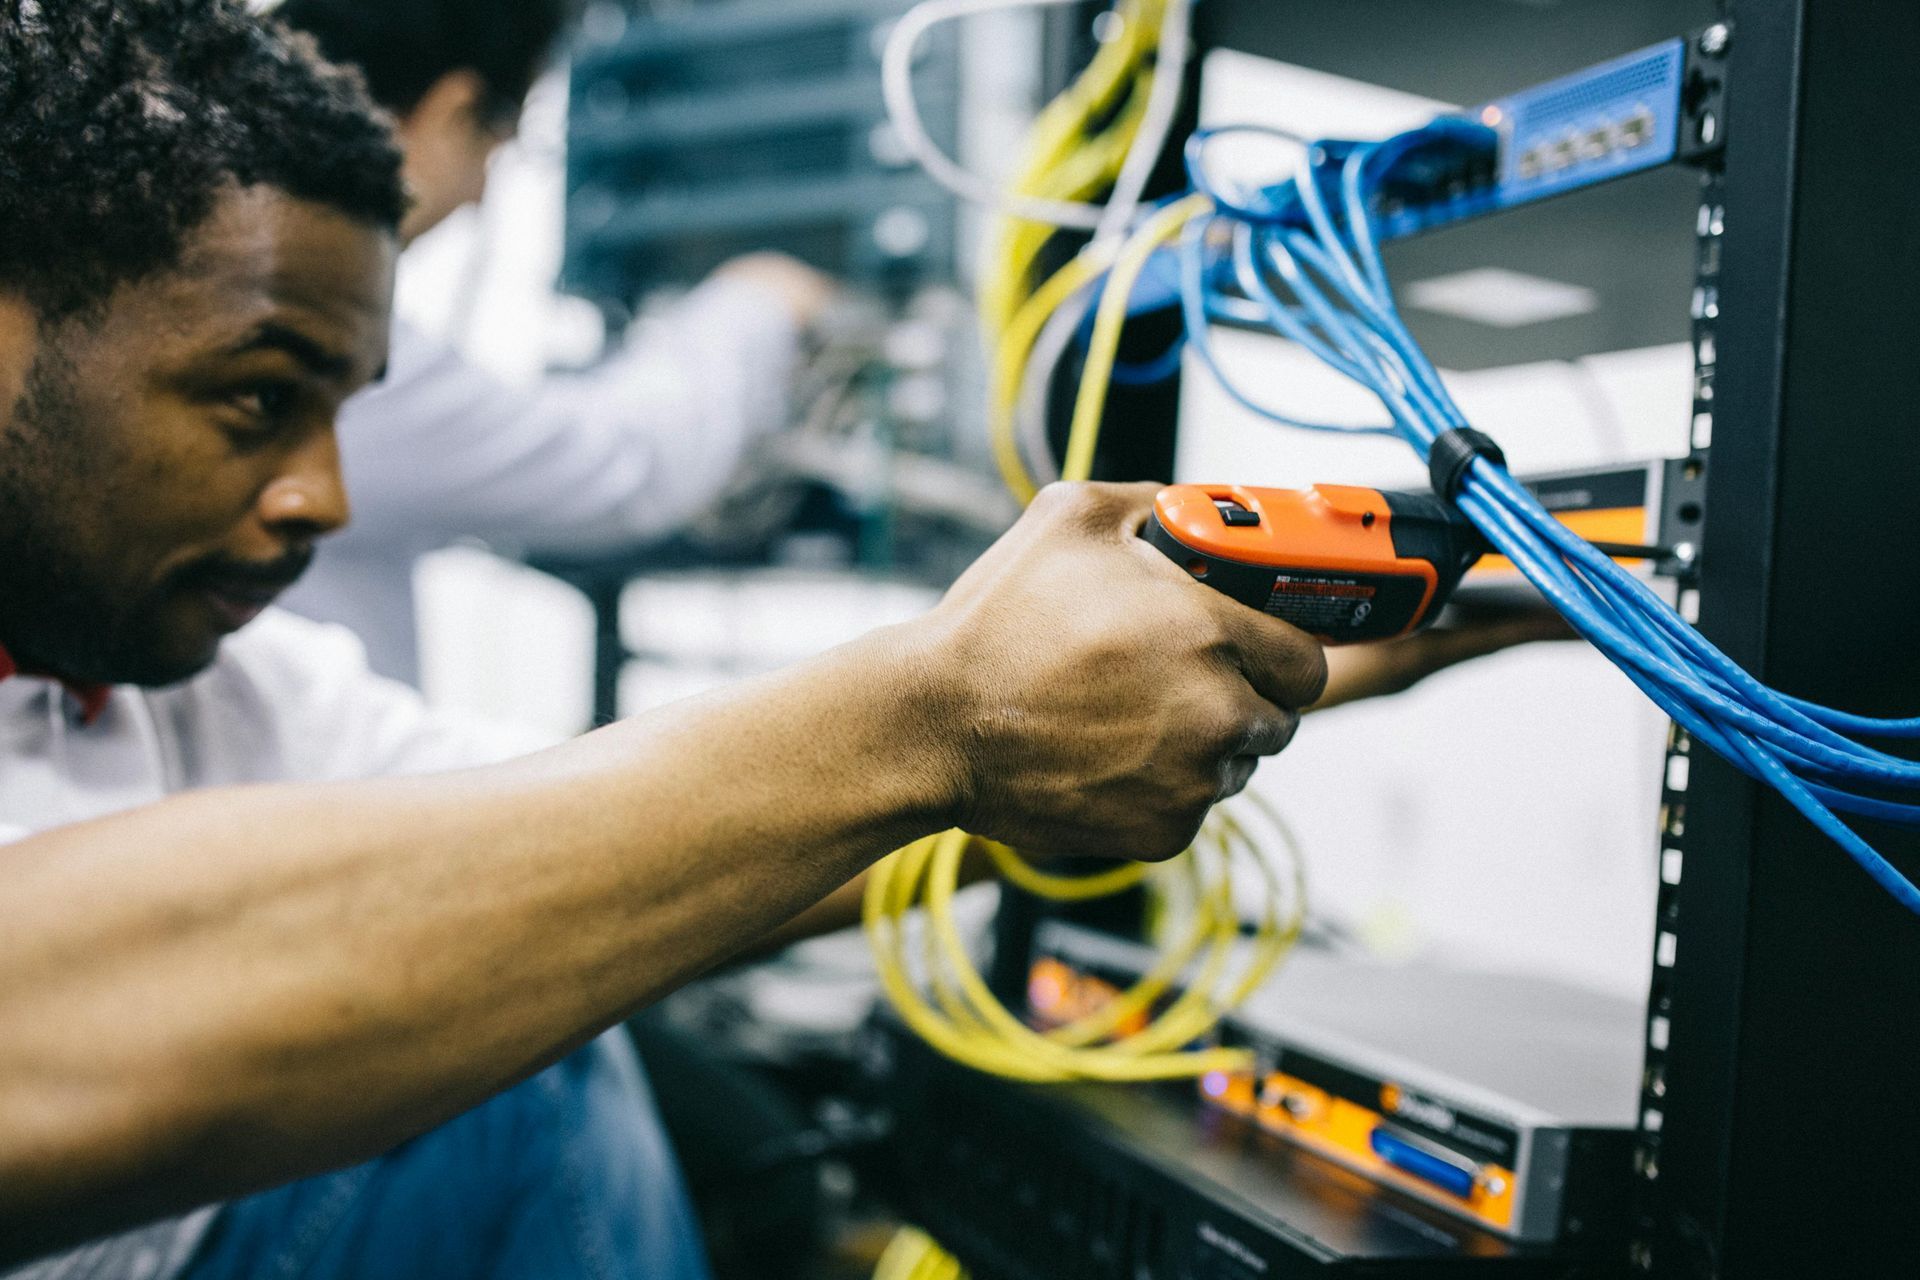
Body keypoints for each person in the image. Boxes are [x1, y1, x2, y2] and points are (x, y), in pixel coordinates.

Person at [0, 4, 1334, 1275]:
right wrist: (938, 715)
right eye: (256, 398)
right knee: (517, 1064)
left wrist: (1129, 704)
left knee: (529, 1017)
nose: (325, 498)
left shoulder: (201, 680)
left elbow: (599, 827)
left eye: (340, 413)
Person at [268, 0, 840, 684]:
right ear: (455, 111)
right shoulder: (327, 345)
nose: (481, 196)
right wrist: (759, 298)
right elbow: (624, 466)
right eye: (494, 146)